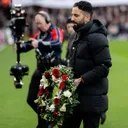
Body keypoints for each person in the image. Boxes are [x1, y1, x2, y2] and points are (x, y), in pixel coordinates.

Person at [62, 1, 112, 128]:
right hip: (75, 97)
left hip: (92, 100)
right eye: (72, 15)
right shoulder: (79, 34)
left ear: (87, 17)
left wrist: (81, 79)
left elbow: (104, 67)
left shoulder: (97, 38)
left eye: (76, 15)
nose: (72, 19)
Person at [18, 10, 64, 128]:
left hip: (52, 71)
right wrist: (19, 46)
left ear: (47, 21)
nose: (38, 26)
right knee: (31, 99)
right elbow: (28, 45)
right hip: (40, 69)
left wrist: (40, 43)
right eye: (36, 23)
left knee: (43, 100)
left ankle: (43, 124)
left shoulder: (56, 31)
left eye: (40, 23)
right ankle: (50, 119)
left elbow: (57, 43)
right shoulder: (39, 35)